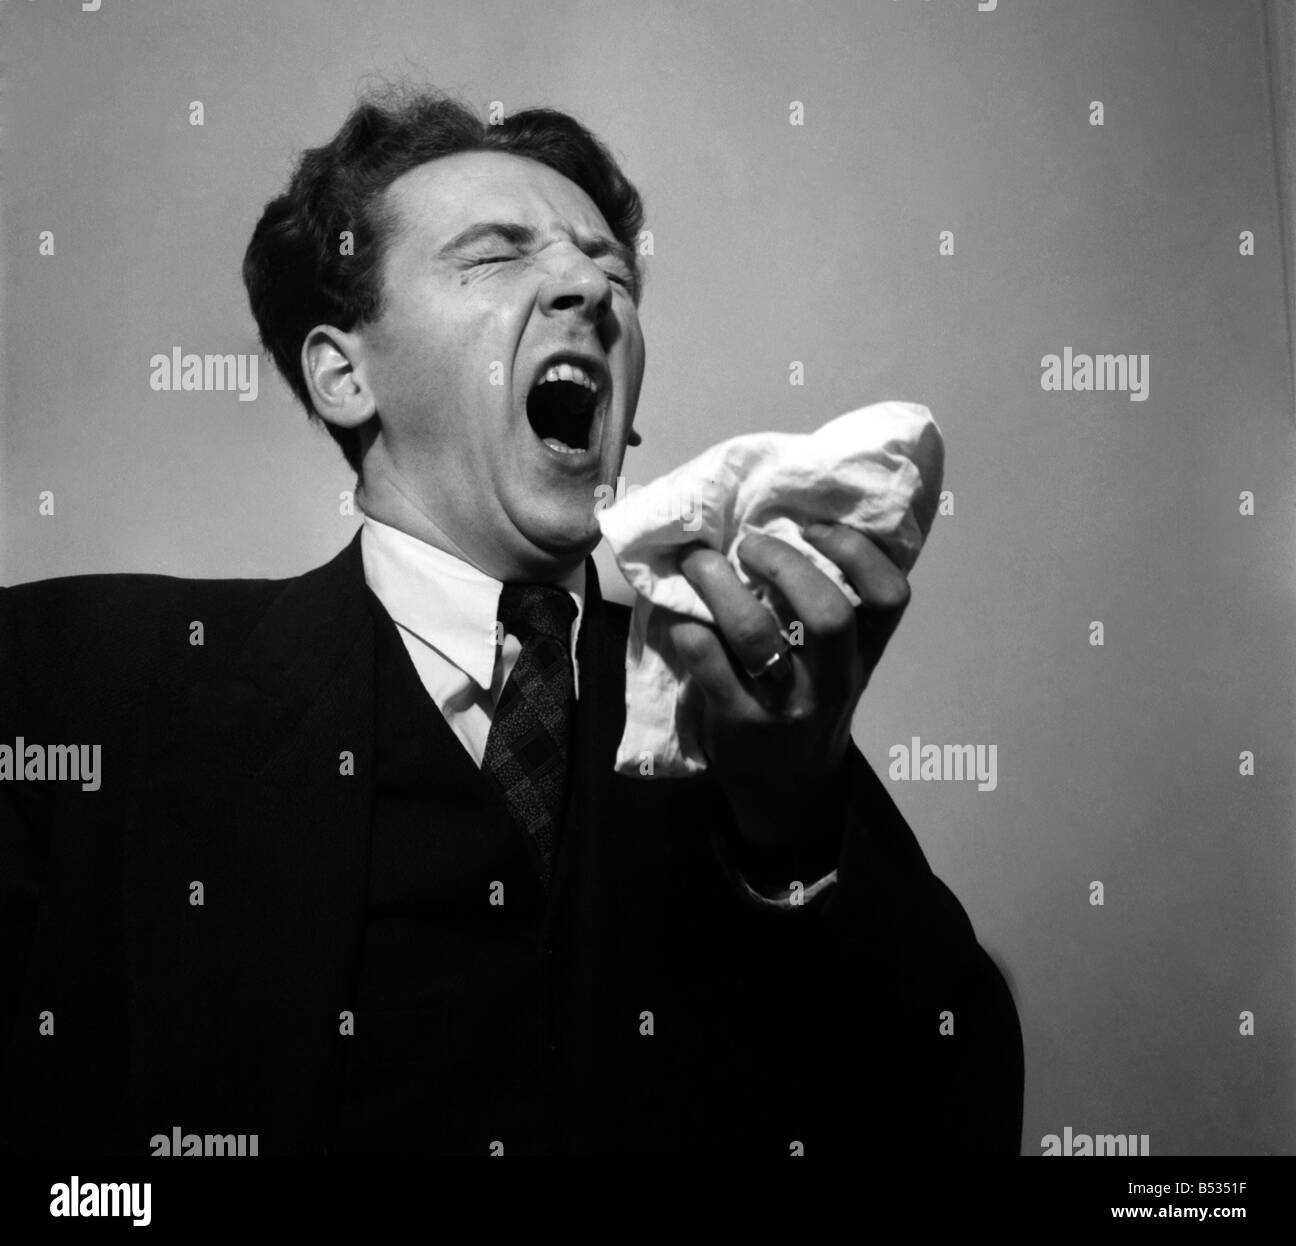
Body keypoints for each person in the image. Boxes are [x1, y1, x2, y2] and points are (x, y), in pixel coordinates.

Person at [0, 86, 1022, 1155]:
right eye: (495, 256)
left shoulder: (741, 716)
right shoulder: (73, 687)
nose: (589, 286)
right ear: (345, 373)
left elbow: (956, 1117)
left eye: (613, 272)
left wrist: (790, 836)